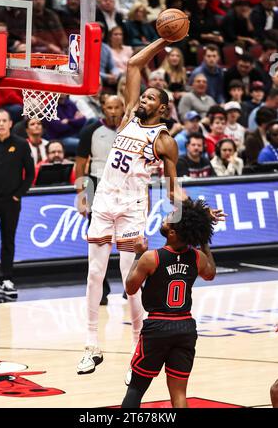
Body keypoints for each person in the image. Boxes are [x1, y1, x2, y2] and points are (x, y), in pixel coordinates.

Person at [76, 36, 183, 375]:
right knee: (94, 274)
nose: (143, 99)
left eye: (150, 97)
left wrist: (189, 215)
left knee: (128, 279)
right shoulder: (127, 120)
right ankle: (91, 346)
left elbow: (172, 188)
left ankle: (140, 348)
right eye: (144, 95)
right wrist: (163, 40)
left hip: (132, 208)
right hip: (104, 201)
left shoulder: (164, 141)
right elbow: (134, 64)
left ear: (161, 108)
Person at [121, 198, 217, 408]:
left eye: (169, 220)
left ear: (172, 233)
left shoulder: (150, 257)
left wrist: (137, 253)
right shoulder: (198, 257)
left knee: (136, 389)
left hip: (158, 328)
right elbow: (210, 274)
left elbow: (130, 288)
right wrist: (204, 238)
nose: (165, 219)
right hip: (185, 327)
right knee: (179, 394)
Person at [0, 109, 35, 302]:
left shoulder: (20, 145)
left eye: (4, 121)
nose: (1, 124)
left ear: (11, 123)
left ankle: (6, 279)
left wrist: (18, 194)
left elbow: (30, 173)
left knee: (8, 240)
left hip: (11, 201)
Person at [76, 95, 125, 305]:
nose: (113, 111)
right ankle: (101, 291)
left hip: (125, 186)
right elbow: (80, 166)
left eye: (116, 107)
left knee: (128, 241)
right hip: (97, 186)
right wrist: (81, 196)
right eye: (109, 107)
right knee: (99, 242)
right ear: (103, 108)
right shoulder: (90, 131)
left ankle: (130, 287)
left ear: (123, 108)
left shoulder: (131, 130)